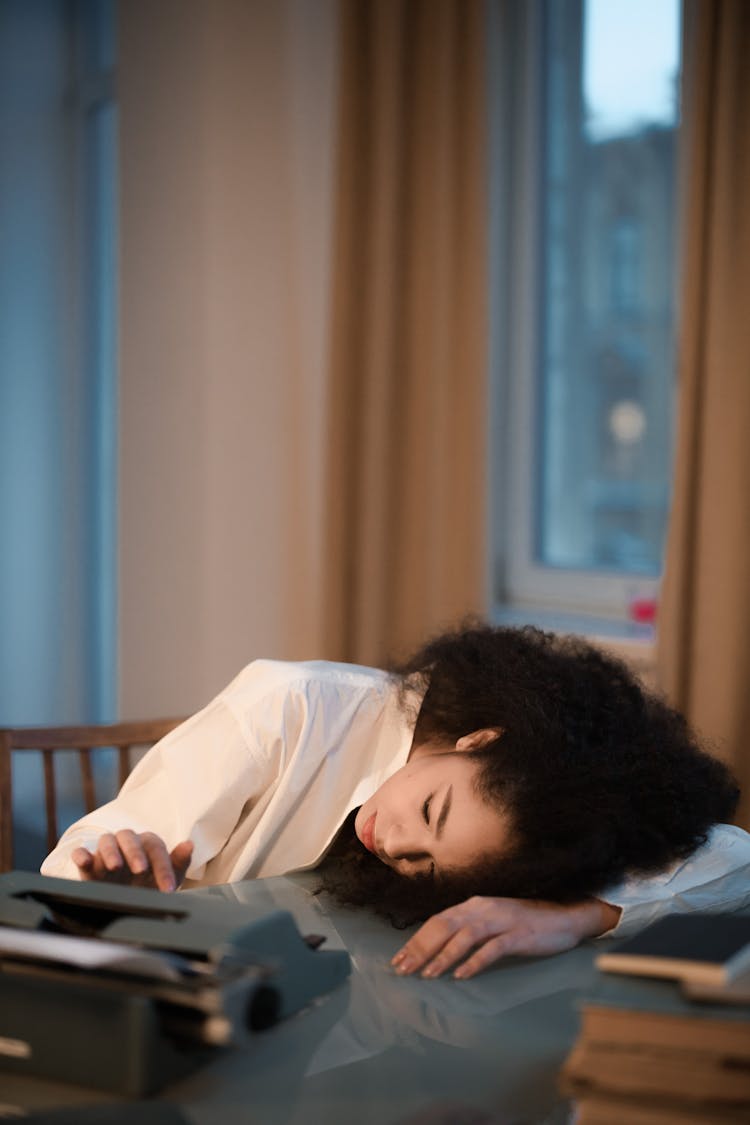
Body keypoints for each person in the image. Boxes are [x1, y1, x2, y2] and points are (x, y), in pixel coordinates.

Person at [42, 623, 750, 980]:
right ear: (476, 739)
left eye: (430, 866)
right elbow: (57, 888)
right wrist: (111, 891)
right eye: (433, 810)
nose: (399, 842)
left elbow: (735, 856)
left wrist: (572, 915)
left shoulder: (521, 832)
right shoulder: (291, 709)